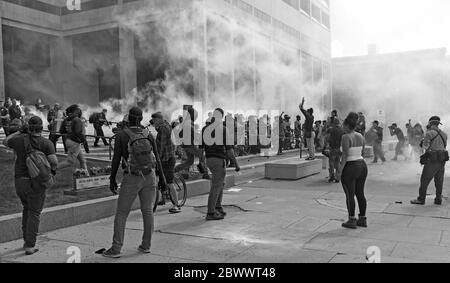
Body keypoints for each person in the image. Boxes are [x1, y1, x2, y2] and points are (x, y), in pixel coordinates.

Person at [103, 107, 158, 258]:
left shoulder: (122, 135)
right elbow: (156, 156)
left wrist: (112, 178)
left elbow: (116, 159)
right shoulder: (148, 133)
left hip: (132, 177)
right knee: (147, 211)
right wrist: (160, 178)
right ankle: (146, 245)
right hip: (149, 175)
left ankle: (116, 248)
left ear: (128, 119)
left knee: (121, 213)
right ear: (141, 119)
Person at [3, 116, 58, 255]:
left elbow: (5, 141)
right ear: (41, 127)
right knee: (34, 213)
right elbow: (54, 162)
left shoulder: (19, 140)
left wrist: (19, 131)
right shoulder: (47, 143)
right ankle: (30, 245)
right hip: (37, 182)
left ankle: (26, 240)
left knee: (26, 209)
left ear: (28, 127)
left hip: (20, 180)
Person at [202, 108, 240, 221]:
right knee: (216, 185)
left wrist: (202, 161)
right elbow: (229, 150)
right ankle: (211, 212)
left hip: (209, 159)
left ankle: (218, 207)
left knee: (220, 183)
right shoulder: (223, 129)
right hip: (218, 160)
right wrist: (236, 164)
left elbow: (200, 148)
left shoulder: (205, 129)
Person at [336, 112, 368, 229]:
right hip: (362, 165)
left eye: (343, 125)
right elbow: (363, 153)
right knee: (360, 193)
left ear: (346, 125)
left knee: (350, 195)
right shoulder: (361, 136)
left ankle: (352, 219)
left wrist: (339, 171)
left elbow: (344, 156)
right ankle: (363, 218)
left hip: (350, 167)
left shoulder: (345, 137)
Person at [411, 116, 448, 206]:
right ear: (438, 124)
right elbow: (444, 146)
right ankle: (438, 199)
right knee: (439, 181)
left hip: (432, 160)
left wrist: (422, 143)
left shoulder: (429, 133)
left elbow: (425, 146)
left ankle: (421, 199)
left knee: (424, 180)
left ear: (430, 123)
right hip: (442, 160)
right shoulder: (444, 134)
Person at [151, 112, 181, 214]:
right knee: (159, 178)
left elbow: (161, 145)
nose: (153, 122)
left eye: (154, 120)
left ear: (158, 119)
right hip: (167, 157)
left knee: (169, 182)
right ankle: (161, 199)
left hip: (167, 159)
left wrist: (157, 157)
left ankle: (176, 205)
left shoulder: (163, 128)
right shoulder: (165, 125)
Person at [175, 107, 210, 179]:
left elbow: (180, 134)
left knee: (189, 162)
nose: (196, 117)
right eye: (196, 115)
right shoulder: (189, 122)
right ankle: (206, 174)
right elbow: (193, 134)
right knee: (202, 157)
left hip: (186, 145)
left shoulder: (186, 122)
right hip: (190, 145)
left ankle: (174, 170)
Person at [58, 105, 89, 176]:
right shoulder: (77, 119)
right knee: (70, 162)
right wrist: (83, 140)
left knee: (82, 160)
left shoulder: (66, 120)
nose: (80, 111)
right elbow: (78, 132)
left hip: (69, 140)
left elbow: (61, 131)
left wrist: (69, 133)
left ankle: (86, 176)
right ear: (75, 111)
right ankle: (52, 169)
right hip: (75, 142)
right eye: (78, 110)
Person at [326, 118, 344, 183]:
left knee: (331, 162)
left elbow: (328, 137)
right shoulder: (342, 130)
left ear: (333, 123)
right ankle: (337, 177)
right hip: (339, 148)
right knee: (337, 162)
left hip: (333, 148)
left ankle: (332, 176)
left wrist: (327, 146)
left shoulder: (331, 129)